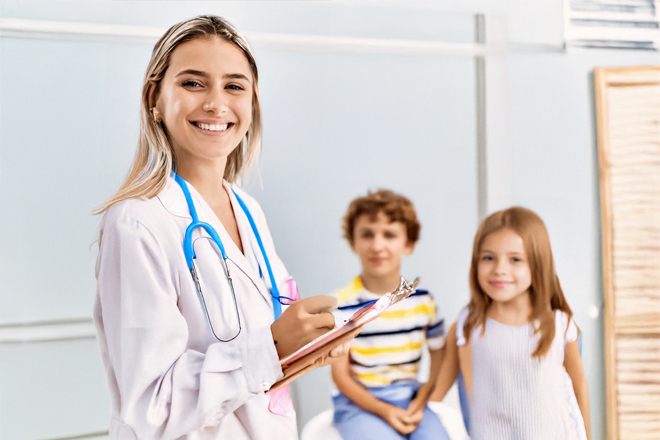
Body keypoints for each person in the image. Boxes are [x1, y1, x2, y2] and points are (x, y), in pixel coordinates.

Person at [94, 15, 346, 440]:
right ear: (155, 97)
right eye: (193, 83)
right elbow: (152, 404)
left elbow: (266, 345)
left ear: (252, 103)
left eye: (234, 86)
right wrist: (273, 348)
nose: (216, 103)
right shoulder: (138, 222)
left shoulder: (247, 209)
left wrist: (307, 347)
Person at [428, 207, 591, 440]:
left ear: (538, 263)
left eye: (515, 259)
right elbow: (439, 394)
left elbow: (578, 387)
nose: (499, 270)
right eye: (488, 258)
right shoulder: (467, 326)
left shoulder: (560, 326)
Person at [330, 190, 451, 440]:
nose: (377, 245)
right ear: (353, 242)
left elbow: (440, 352)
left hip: (410, 398)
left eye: (389, 234)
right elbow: (340, 376)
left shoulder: (424, 301)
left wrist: (424, 396)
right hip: (359, 404)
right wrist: (384, 410)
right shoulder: (342, 305)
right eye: (367, 234)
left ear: (408, 244)